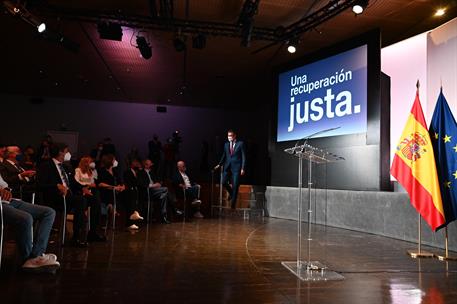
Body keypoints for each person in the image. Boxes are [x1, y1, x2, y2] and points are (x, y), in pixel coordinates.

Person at [1, 173, 60, 273]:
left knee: (49, 212)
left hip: (9, 201)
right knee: (26, 218)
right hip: (1, 204)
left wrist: (5, 189)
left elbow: (4, 184)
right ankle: (28, 259)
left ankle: (36, 255)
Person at [36, 143, 88, 247]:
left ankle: (90, 233)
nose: (67, 154)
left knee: (92, 198)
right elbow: (40, 184)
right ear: (60, 152)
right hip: (55, 197)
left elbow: (73, 182)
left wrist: (83, 188)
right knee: (80, 201)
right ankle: (76, 236)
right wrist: (56, 186)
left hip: (69, 195)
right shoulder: (45, 166)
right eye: (66, 151)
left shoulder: (66, 166)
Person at [74, 156, 106, 242]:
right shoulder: (78, 170)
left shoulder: (91, 172)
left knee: (96, 199)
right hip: (81, 192)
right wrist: (87, 186)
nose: (92, 163)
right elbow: (76, 183)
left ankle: (94, 231)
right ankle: (81, 234)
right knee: (95, 197)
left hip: (90, 193)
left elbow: (93, 184)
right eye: (90, 162)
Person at [214, 129, 246, 209]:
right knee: (223, 182)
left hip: (237, 168)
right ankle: (232, 193)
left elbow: (244, 157)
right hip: (227, 166)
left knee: (235, 185)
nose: (229, 137)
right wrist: (219, 164)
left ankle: (233, 205)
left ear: (235, 136)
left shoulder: (240, 144)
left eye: (231, 135)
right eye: (228, 136)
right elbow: (224, 155)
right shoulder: (226, 144)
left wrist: (243, 168)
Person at [138, 159, 172, 224]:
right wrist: (153, 185)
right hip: (147, 192)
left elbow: (158, 180)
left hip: (156, 191)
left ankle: (163, 217)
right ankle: (173, 209)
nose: (151, 165)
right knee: (166, 189)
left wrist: (158, 184)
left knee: (164, 196)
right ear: (145, 165)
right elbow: (142, 184)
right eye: (150, 163)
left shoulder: (152, 172)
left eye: (151, 163)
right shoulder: (141, 172)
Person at [96, 154, 126, 228]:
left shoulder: (115, 171)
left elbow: (120, 182)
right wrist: (114, 187)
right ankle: (112, 210)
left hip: (115, 191)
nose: (115, 161)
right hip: (105, 191)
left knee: (126, 194)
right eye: (114, 160)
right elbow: (100, 184)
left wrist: (122, 186)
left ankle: (116, 213)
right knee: (110, 195)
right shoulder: (101, 171)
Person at [123, 159, 145, 229]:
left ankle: (135, 221)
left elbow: (140, 182)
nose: (138, 164)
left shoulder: (138, 172)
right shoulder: (127, 172)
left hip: (136, 192)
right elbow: (129, 182)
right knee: (130, 207)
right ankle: (129, 223)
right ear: (132, 163)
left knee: (135, 206)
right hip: (129, 192)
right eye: (136, 163)